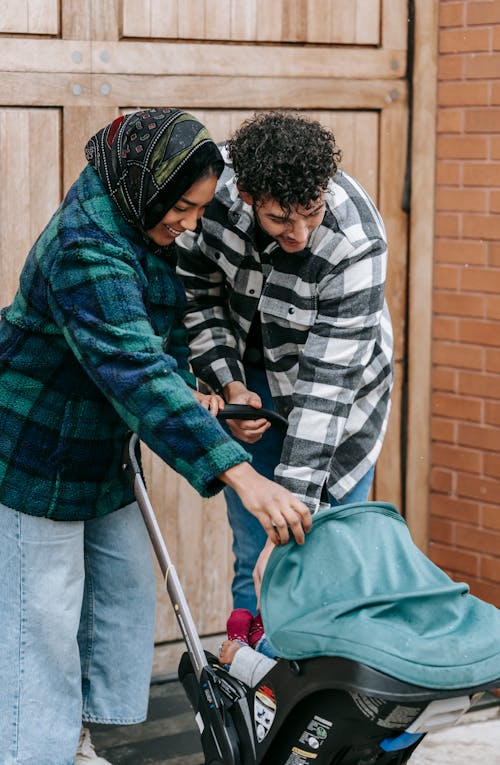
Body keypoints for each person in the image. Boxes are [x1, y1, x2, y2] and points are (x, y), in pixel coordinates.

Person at [0, 108, 311, 765]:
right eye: (185, 208)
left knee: (117, 596)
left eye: (201, 210)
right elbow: (135, 369)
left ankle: (68, 735)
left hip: (102, 445)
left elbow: (152, 341)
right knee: (43, 623)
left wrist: (196, 389)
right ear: (149, 184)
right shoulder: (87, 246)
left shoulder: (135, 218)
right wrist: (243, 474)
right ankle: (34, 750)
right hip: (34, 448)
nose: (192, 224)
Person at [176, 111, 394, 614]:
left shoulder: (354, 242)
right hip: (251, 370)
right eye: (280, 218)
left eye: (312, 211)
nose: (300, 231)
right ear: (248, 196)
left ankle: (324, 687)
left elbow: (328, 386)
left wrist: (292, 512)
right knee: (253, 549)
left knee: (322, 554)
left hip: (338, 397)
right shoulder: (215, 199)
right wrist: (230, 386)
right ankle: (256, 681)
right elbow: (199, 295)